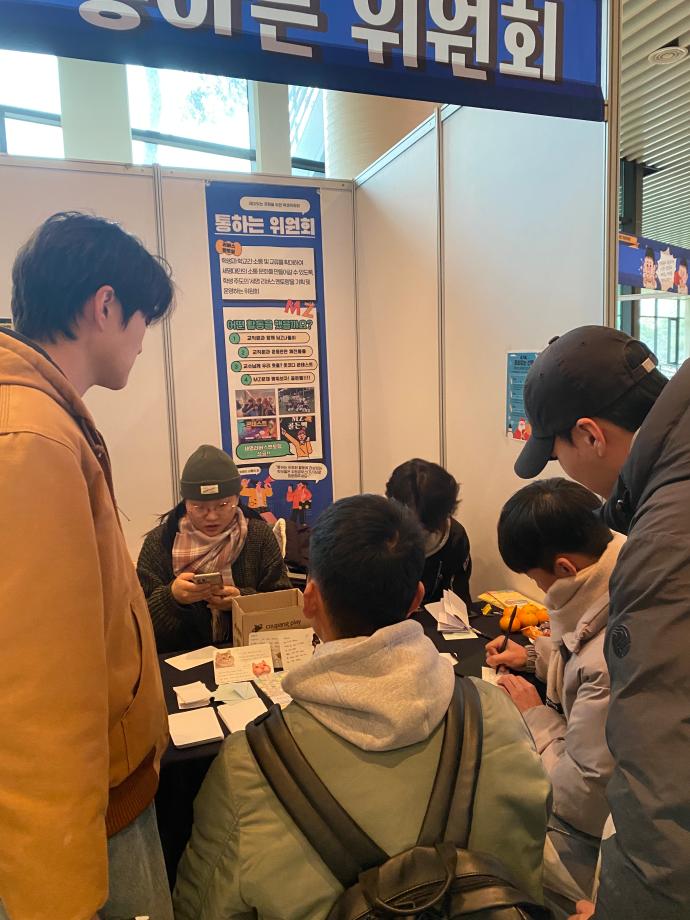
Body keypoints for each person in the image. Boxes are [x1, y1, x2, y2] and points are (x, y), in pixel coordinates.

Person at [173, 495, 551, 920]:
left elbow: (201, 905)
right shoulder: (495, 712)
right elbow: (529, 862)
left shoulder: (249, 764)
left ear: (309, 599)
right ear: (417, 598)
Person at [0, 212, 173, 920]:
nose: (142, 340)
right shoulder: (31, 436)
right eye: (142, 319)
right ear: (105, 306)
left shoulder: (43, 417)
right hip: (91, 818)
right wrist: (58, 894)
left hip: (107, 795)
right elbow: (41, 689)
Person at [513, 325, 690, 920]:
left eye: (556, 453)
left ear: (589, 434)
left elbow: (660, 770)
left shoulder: (664, 543)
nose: (563, 470)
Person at [485, 479, 622, 916]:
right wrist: (533, 656)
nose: (539, 590)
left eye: (533, 578)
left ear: (564, 568)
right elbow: (578, 643)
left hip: (596, 839)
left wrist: (534, 716)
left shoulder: (614, 655)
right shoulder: (617, 578)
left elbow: (581, 797)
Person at [137, 445, 291, 653]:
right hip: (178, 658)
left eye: (223, 505)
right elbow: (137, 622)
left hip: (250, 655)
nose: (211, 516)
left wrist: (242, 600)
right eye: (199, 507)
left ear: (237, 498)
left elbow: (285, 606)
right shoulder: (160, 542)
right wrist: (172, 598)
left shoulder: (259, 536)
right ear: (185, 503)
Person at [386, 458, 473, 610]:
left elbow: (459, 604)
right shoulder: (373, 535)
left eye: (421, 525)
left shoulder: (454, 539)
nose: (413, 529)